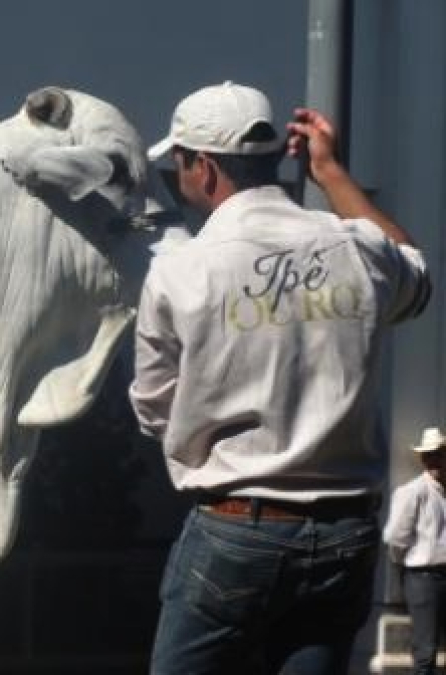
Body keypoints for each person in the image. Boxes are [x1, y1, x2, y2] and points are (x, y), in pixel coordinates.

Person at [129, 81, 431, 674]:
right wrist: (331, 174)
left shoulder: (181, 271)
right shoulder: (359, 250)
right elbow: (415, 273)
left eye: (182, 163)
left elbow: (153, 412)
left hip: (234, 528)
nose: (180, 177)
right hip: (346, 534)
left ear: (206, 169)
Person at [383, 427, 446, 675]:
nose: (434, 459)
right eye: (429, 454)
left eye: (440, 453)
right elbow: (395, 539)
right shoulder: (412, 492)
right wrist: (409, 569)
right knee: (425, 653)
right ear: (422, 458)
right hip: (424, 578)